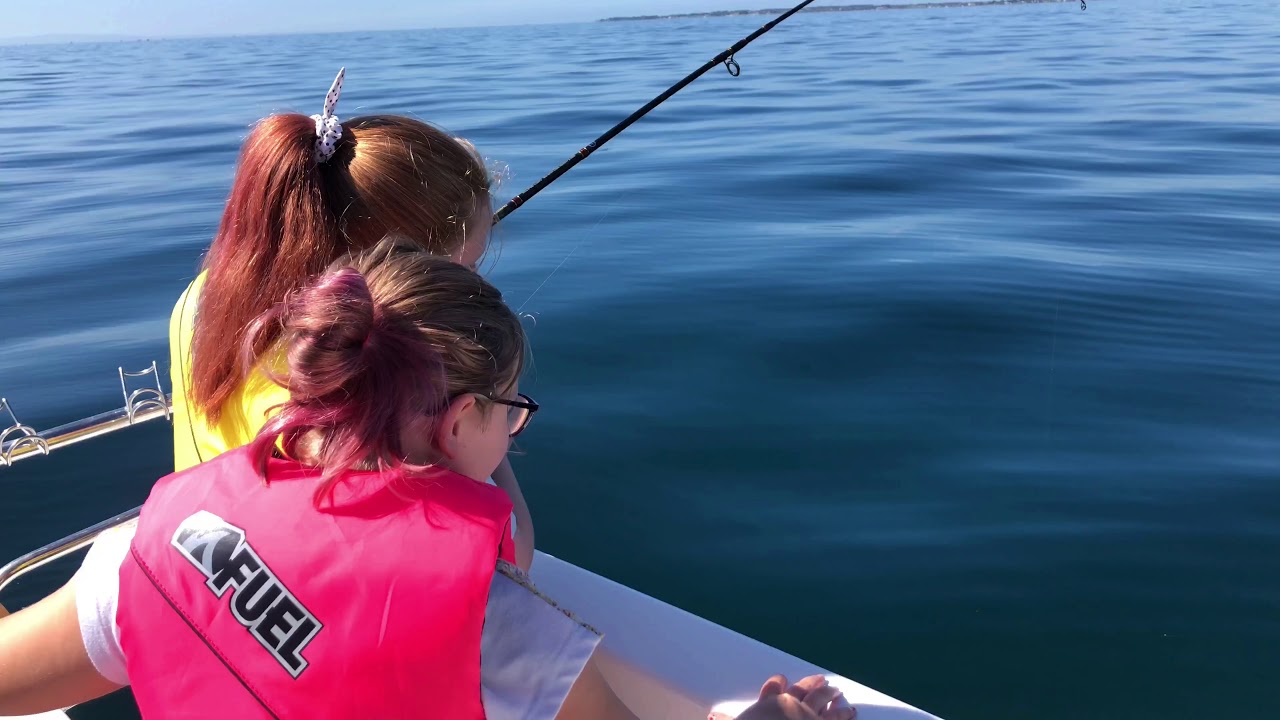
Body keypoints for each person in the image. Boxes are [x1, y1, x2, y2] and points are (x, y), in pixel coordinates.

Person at [0, 242, 854, 720]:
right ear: (457, 421)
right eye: (510, 410)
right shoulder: (497, 630)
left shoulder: (150, 541)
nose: (513, 432)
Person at [167, 68, 535, 570]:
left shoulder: (205, 294)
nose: (471, 289)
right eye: (462, 269)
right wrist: (493, 407)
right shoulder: (353, 396)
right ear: (392, 268)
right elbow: (509, 557)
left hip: (208, 564)